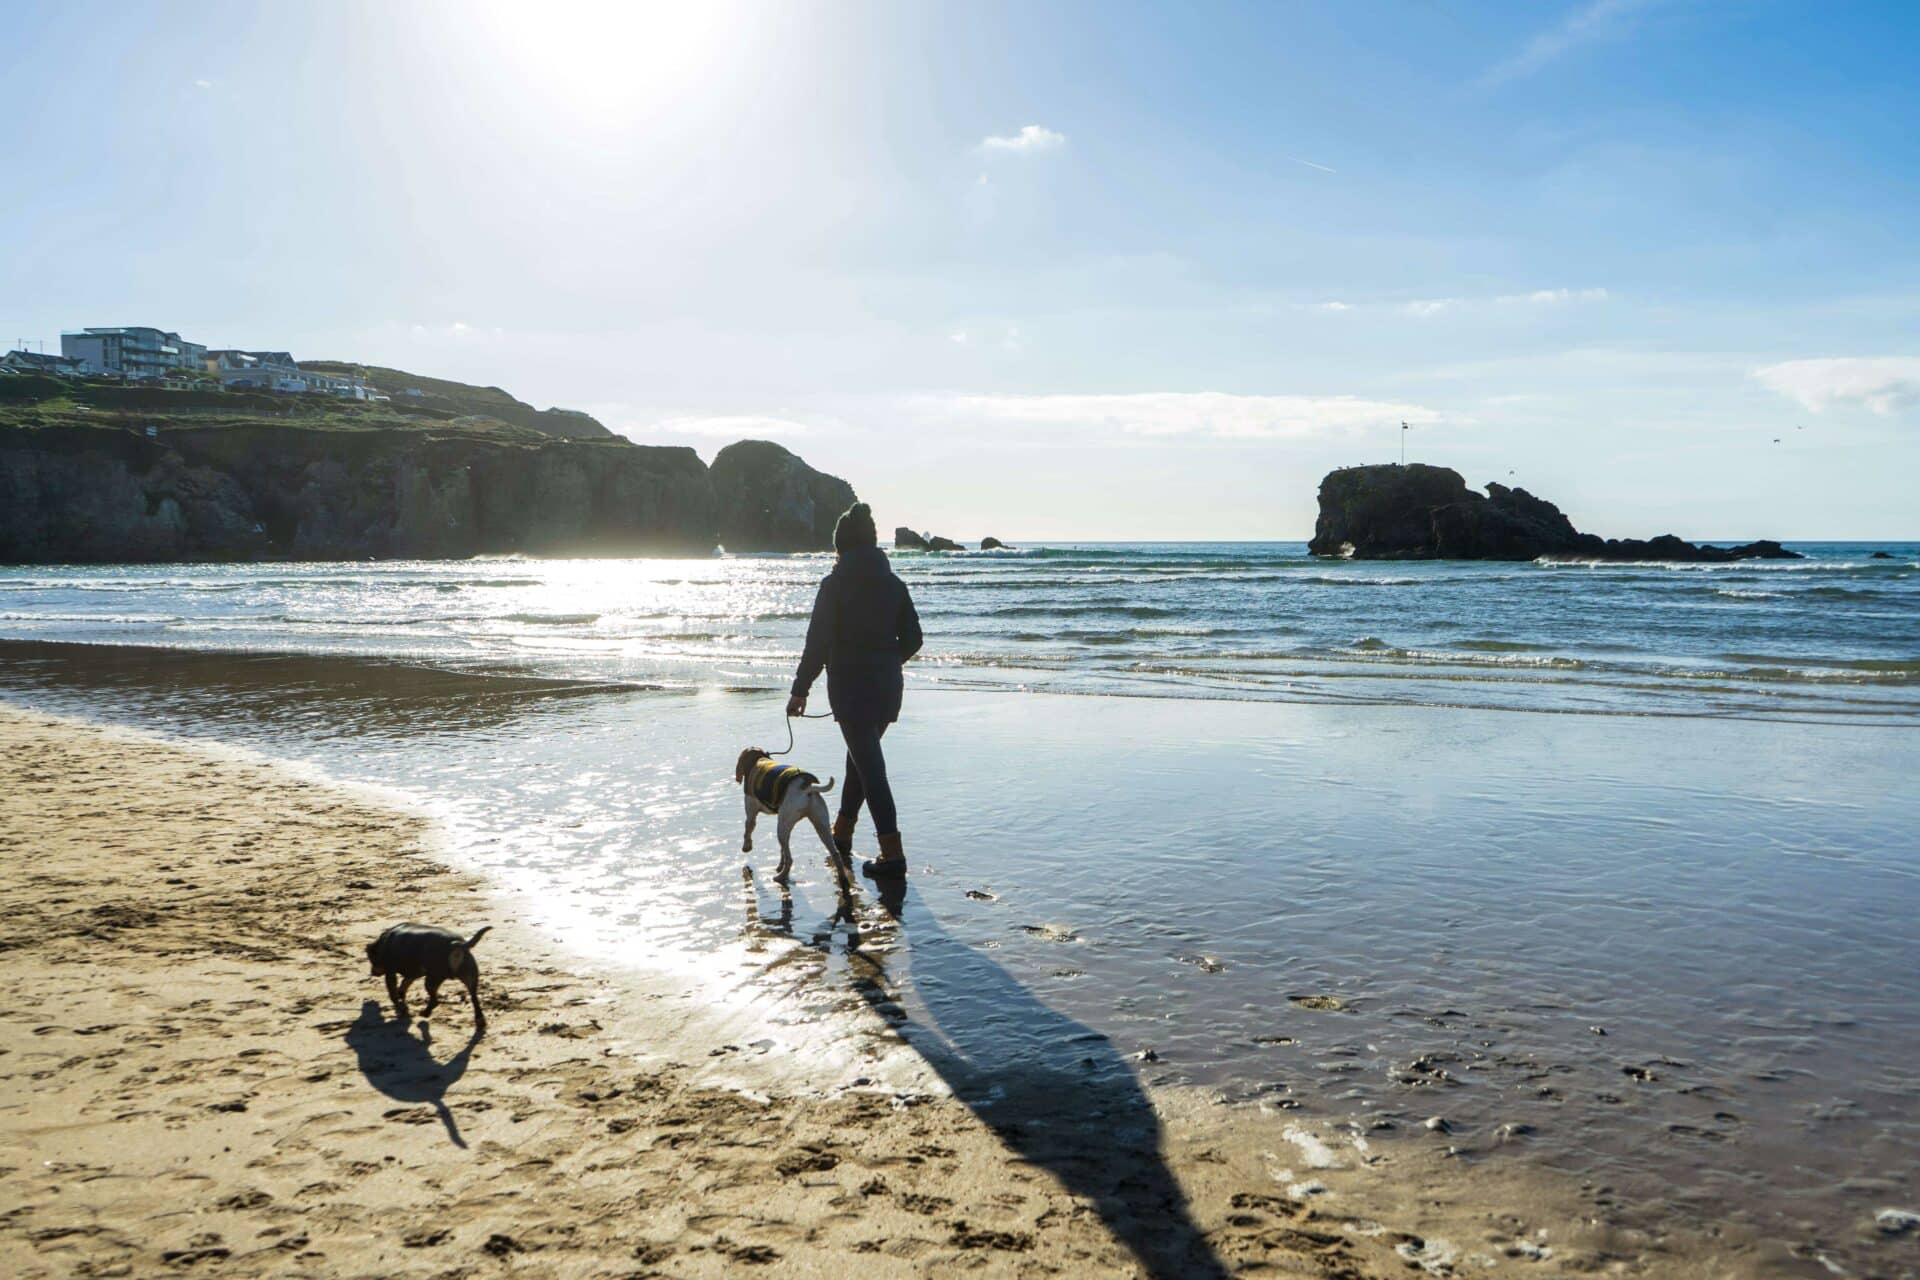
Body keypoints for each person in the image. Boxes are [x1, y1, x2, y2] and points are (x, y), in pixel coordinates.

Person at [787, 502, 922, 879]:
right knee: (860, 762)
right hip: (886, 689)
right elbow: (914, 637)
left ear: (841, 547)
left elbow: (818, 642)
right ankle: (842, 834)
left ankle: (892, 855)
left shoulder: (835, 585)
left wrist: (800, 690)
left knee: (871, 769)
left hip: (850, 689)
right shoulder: (893, 584)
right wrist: (887, 661)